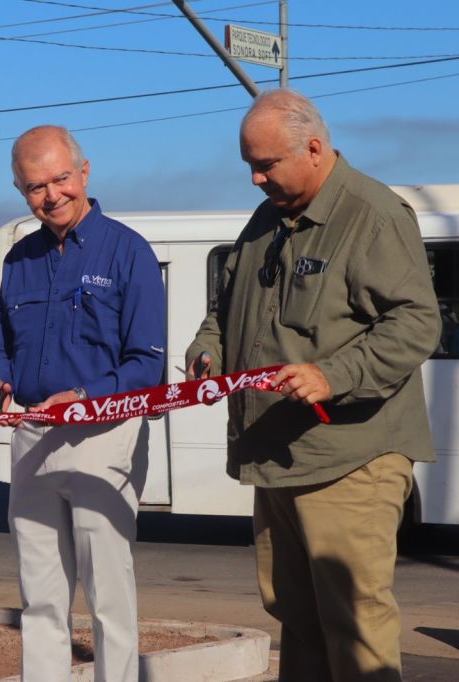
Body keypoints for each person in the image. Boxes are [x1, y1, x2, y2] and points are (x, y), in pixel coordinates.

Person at [186, 89, 439, 682]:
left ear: (315, 148)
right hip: (278, 457)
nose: (255, 178)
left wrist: (334, 375)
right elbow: (224, 309)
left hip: (350, 460)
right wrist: (207, 351)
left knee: (354, 623)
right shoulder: (266, 219)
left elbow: (416, 322)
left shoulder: (372, 215)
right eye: (250, 165)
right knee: (296, 618)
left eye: (267, 164)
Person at [0, 125, 166, 682]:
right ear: (20, 191)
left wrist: (85, 398)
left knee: (108, 596)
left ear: (84, 172)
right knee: (39, 596)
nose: (51, 195)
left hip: (102, 439)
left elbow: (147, 364)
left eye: (61, 179)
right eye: (35, 187)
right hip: (32, 437)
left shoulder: (129, 251)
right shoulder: (19, 259)